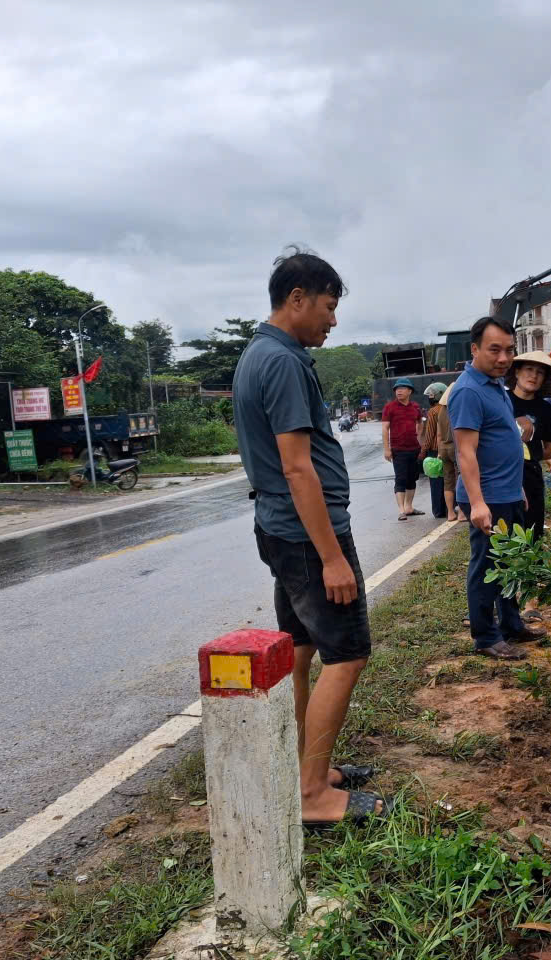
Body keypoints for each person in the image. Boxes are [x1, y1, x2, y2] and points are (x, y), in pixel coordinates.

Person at [232, 248, 387, 826]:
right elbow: (298, 467)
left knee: (299, 650)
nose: (333, 320)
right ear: (297, 298)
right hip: (306, 537)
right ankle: (313, 796)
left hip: (277, 528)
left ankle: (303, 768)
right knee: (347, 655)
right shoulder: (286, 362)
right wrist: (332, 558)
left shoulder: (258, 355)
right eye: (328, 305)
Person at [449, 316, 548, 660]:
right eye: (495, 350)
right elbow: (465, 452)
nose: (504, 358)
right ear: (475, 349)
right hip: (486, 497)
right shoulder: (467, 391)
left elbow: (504, 442)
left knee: (509, 564)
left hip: (507, 492)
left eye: (509, 350)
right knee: (487, 567)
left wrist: (517, 485)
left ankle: (511, 624)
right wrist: (477, 503)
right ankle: (486, 636)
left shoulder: (496, 387)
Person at [506, 351, 551, 543]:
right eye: (529, 369)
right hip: (502, 473)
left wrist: (529, 455)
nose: (533, 375)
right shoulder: (501, 400)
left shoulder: (546, 410)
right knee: (502, 528)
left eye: (540, 372)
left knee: (532, 529)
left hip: (530, 474)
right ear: (516, 372)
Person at [381, 378, 424, 520]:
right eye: (396, 389)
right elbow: (385, 428)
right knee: (401, 478)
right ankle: (401, 511)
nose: (398, 391)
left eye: (402, 388)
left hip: (414, 448)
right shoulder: (390, 407)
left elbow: (420, 422)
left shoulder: (415, 407)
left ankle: (409, 507)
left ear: (409, 391)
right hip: (398, 449)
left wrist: (419, 440)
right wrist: (387, 449)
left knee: (412, 478)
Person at [418, 381, 450, 519]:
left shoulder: (433, 412)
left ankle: (439, 511)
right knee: (449, 480)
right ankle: (450, 508)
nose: (430, 398)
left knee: (436, 482)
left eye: (431, 395)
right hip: (448, 449)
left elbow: (430, 434)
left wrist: (423, 451)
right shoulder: (449, 408)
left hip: (435, 451)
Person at [436, 383, 460, 521]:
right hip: (455, 447)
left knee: (448, 481)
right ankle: (462, 512)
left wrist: (439, 451)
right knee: (462, 478)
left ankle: (450, 513)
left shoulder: (441, 412)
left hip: (443, 448)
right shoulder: (457, 409)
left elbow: (438, 435)